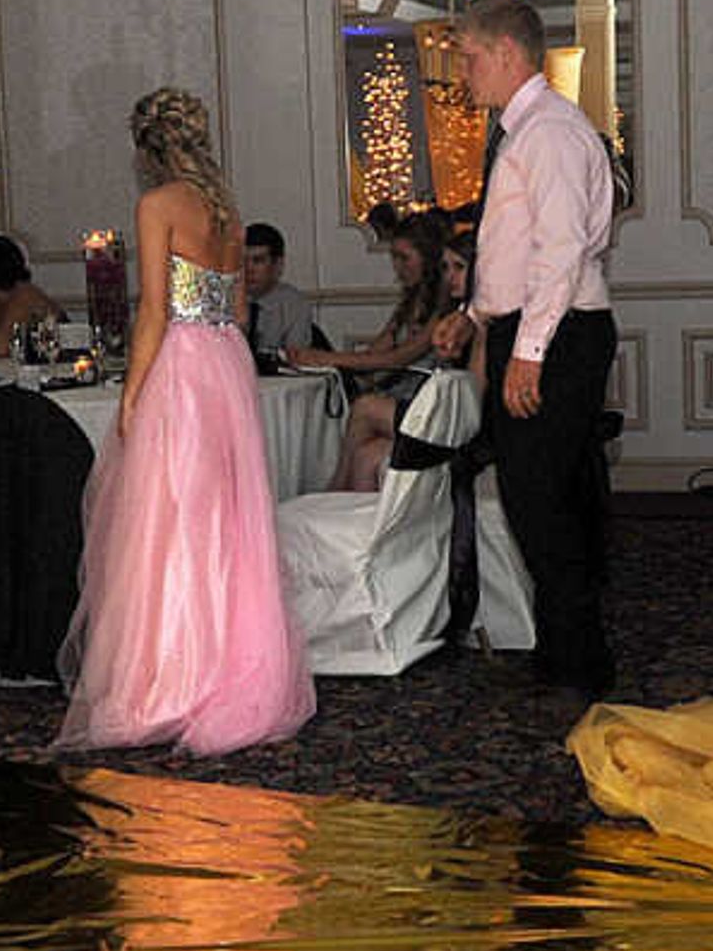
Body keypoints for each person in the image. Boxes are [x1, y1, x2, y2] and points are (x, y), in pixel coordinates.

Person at [57, 87, 315, 756]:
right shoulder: (228, 210)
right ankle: (230, 669)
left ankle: (173, 680)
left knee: (171, 520)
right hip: (226, 358)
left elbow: (153, 310)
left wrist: (131, 394)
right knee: (228, 519)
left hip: (184, 365)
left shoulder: (157, 205)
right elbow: (237, 305)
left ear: (147, 151)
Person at [438, 0, 618, 697]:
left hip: (560, 333)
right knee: (541, 500)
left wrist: (529, 351)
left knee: (540, 501)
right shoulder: (525, 130)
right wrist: (476, 315)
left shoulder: (550, 132)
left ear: (508, 52)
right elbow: (513, 247)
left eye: (469, 57)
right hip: (541, 327)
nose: (462, 71)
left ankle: (581, 666)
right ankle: (564, 654)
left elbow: (560, 253)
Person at [291, 214, 468, 491]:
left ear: (428, 258)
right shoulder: (411, 302)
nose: (397, 268)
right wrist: (326, 364)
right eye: (394, 258)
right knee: (365, 451)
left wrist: (329, 358)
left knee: (365, 408)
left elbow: (402, 357)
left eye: (403, 258)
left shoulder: (447, 309)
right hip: (407, 399)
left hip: (431, 404)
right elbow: (377, 351)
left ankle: (335, 490)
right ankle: (348, 514)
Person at [238, 221, 317, 360]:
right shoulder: (225, 301)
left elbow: (295, 357)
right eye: (242, 261)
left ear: (278, 265)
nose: (248, 270)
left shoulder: (295, 304)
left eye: (258, 261)